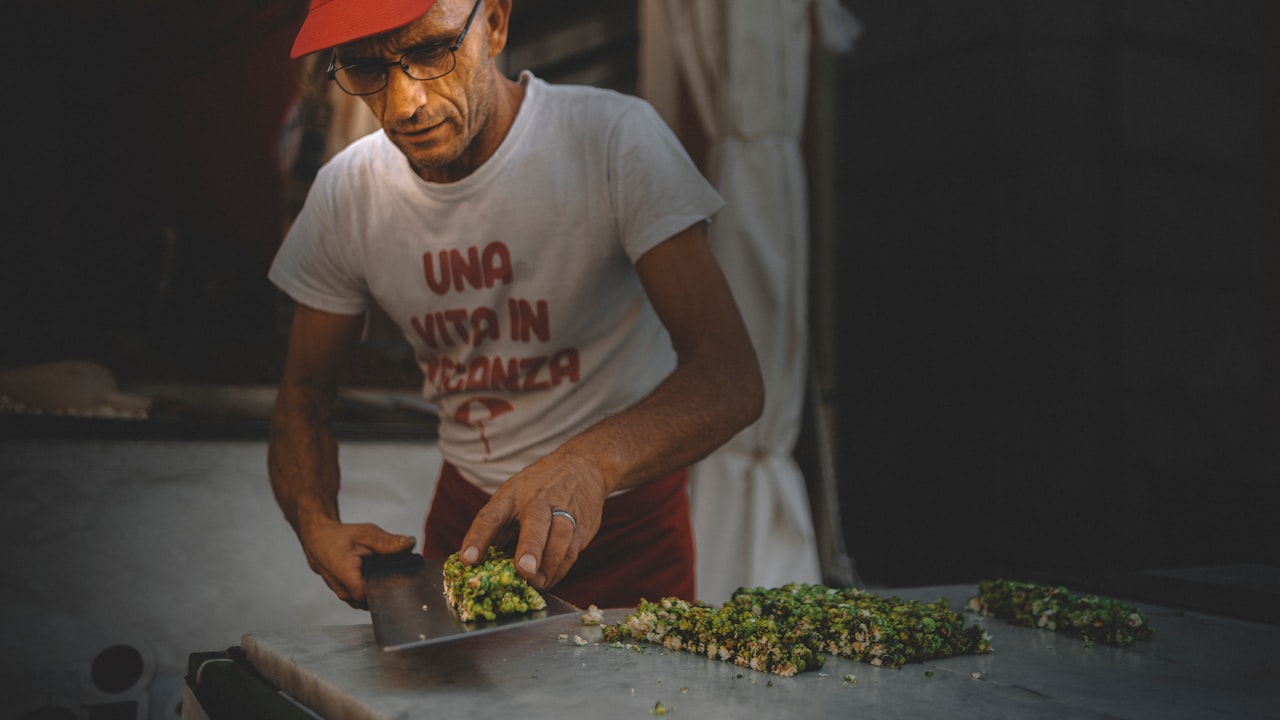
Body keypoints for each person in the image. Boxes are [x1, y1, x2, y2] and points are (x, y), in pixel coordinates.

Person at [267, 0, 763, 611]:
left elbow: (730, 377)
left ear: (495, 23)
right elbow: (302, 398)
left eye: (430, 52)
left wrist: (587, 463)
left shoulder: (612, 140)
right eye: (367, 69)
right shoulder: (347, 195)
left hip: (624, 525)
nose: (403, 106)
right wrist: (315, 525)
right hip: (471, 528)